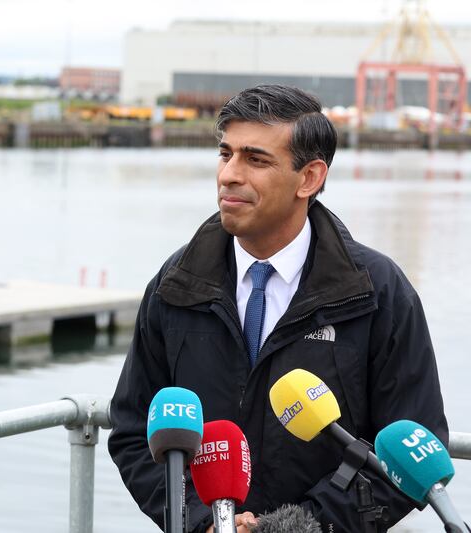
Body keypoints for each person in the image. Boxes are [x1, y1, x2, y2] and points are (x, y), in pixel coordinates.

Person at [108, 84, 448, 532]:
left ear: (309, 178)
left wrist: (295, 526)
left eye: (255, 159)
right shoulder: (176, 284)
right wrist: (203, 522)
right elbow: (135, 432)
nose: (229, 174)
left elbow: (412, 448)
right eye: (225, 153)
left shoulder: (379, 292)